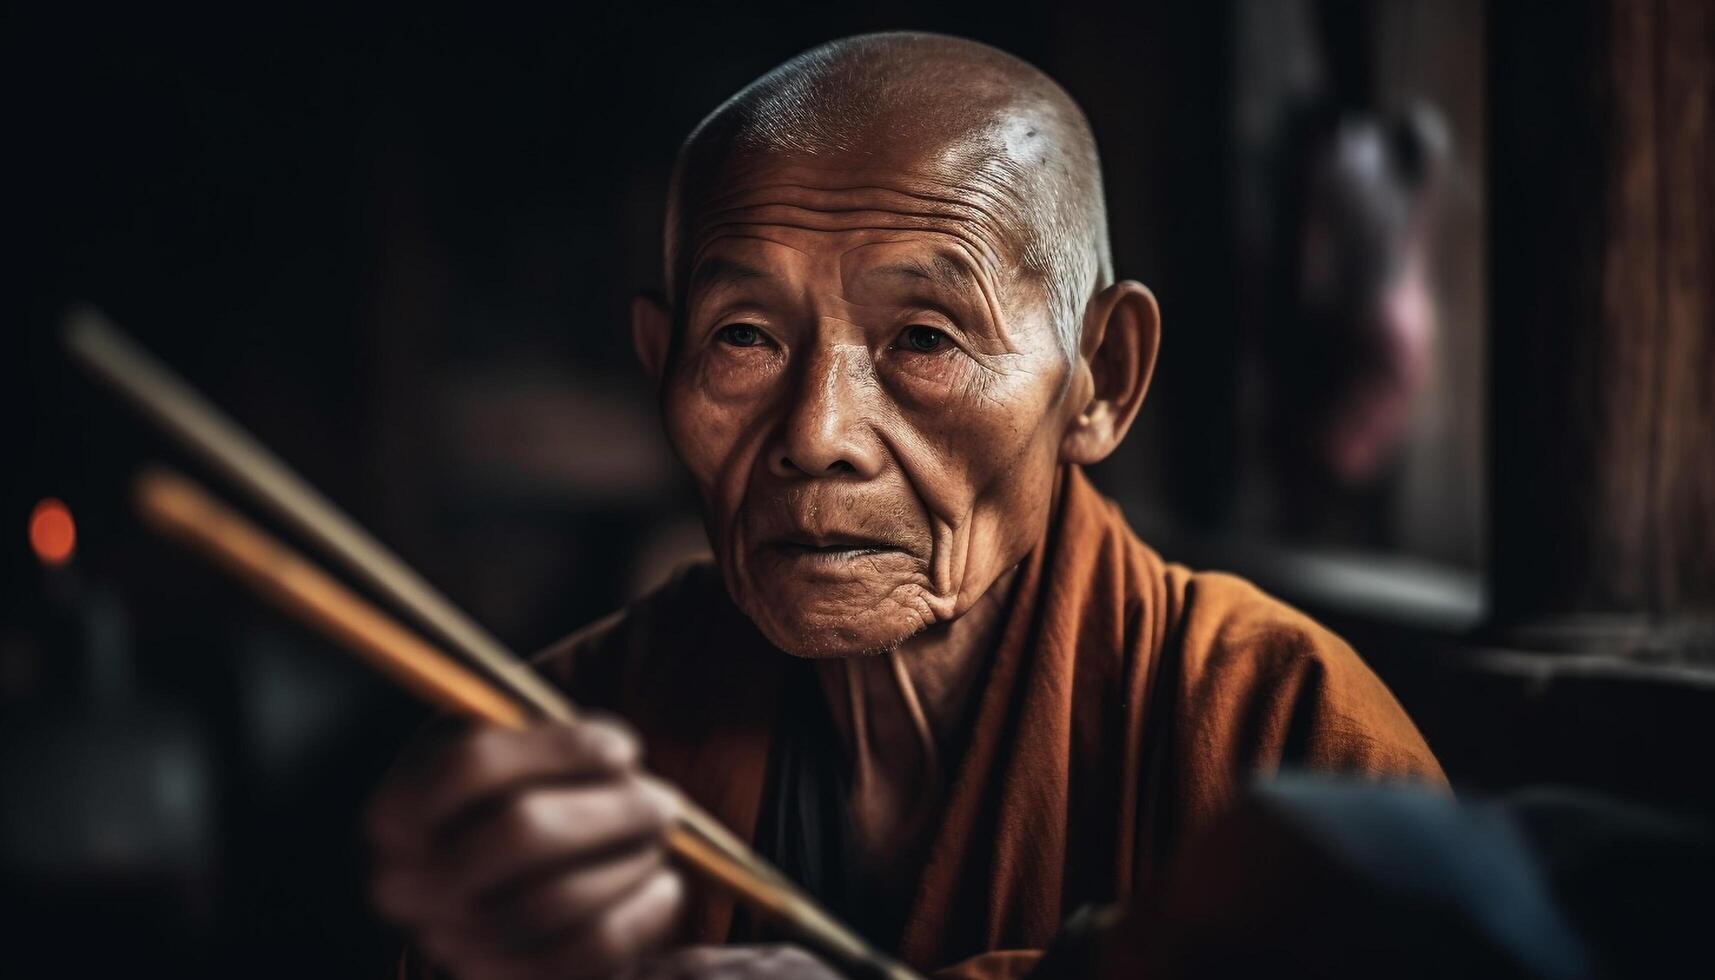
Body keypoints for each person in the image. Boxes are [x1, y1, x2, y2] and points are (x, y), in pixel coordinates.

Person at [366, 32, 1444, 980]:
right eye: (742, 336)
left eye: (923, 338)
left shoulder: (1278, 724)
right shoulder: (580, 736)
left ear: (1101, 376)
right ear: (661, 364)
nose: (816, 434)